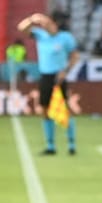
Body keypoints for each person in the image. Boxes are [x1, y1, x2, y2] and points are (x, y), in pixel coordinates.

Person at [17, 11, 78, 155]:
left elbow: (75, 56)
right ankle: (50, 146)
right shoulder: (40, 35)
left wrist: (66, 71)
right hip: (45, 76)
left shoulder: (65, 38)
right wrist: (32, 19)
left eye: (47, 23)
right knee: (44, 109)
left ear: (54, 24)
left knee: (65, 109)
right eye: (43, 23)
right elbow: (21, 28)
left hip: (59, 76)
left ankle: (71, 143)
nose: (44, 25)